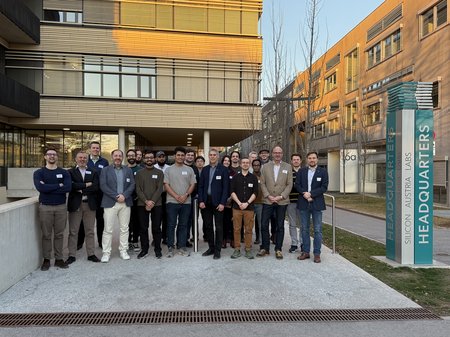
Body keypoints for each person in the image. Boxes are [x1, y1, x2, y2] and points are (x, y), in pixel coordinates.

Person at [33, 148, 71, 271]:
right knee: (46, 235)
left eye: (54, 154)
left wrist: (48, 187)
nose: (52, 156)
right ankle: (47, 259)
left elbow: (67, 188)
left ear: (57, 157)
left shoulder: (64, 172)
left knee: (60, 234)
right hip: (45, 207)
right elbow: (40, 188)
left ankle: (59, 259)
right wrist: (57, 185)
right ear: (45, 157)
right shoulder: (39, 173)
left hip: (61, 207)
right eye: (49, 154)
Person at [99, 149, 135, 263]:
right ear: (112, 157)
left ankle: (123, 250)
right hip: (110, 203)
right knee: (108, 229)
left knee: (124, 228)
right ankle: (106, 253)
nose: (118, 157)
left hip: (125, 202)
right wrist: (116, 196)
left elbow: (132, 184)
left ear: (122, 157)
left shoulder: (128, 170)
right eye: (116, 155)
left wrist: (124, 195)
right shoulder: (105, 170)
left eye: (120, 156)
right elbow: (103, 186)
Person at [257, 146, 293, 260]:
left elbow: (289, 184)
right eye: (275, 152)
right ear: (272, 154)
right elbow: (262, 183)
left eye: (280, 153)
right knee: (263, 224)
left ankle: (278, 249)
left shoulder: (288, 167)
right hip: (267, 200)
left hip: (281, 201)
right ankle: (265, 248)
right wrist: (268, 195)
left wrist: (280, 196)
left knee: (280, 226)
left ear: (282, 154)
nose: (277, 154)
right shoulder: (265, 167)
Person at [66, 151, 100, 264]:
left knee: (90, 230)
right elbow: (70, 186)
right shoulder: (70, 172)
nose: (82, 160)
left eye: (84, 158)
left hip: (89, 204)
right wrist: (86, 185)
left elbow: (96, 187)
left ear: (87, 160)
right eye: (80, 158)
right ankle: (71, 255)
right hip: (76, 205)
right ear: (76, 159)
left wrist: (79, 188)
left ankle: (91, 254)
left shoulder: (94, 171)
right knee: (73, 231)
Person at [296, 151, 329, 263]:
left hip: (317, 204)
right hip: (304, 203)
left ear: (317, 159)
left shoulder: (323, 172)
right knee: (304, 229)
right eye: (310, 158)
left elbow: (324, 187)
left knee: (317, 230)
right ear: (307, 159)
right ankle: (305, 252)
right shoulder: (301, 171)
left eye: (314, 158)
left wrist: (311, 194)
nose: (312, 160)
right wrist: (304, 193)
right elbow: (297, 185)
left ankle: (317, 253)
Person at [163, 146, 196, 257]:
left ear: (185, 156)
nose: (180, 157)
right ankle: (170, 247)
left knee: (183, 225)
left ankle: (181, 246)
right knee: (171, 225)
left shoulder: (189, 169)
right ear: (174, 156)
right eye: (178, 155)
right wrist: (177, 196)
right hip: (172, 202)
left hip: (186, 202)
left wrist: (186, 195)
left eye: (182, 155)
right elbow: (166, 185)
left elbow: (193, 184)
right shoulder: (168, 170)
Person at [198, 149, 229, 259]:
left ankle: (217, 250)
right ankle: (211, 248)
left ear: (218, 156)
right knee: (208, 226)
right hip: (206, 202)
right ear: (208, 156)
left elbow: (226, 188)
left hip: (218, 203)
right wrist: (201, 200)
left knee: (219, 227)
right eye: (210, 155)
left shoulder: (224, 170)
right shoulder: (205, 170)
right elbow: (200, 187)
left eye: (214, 155)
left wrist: (222, 203)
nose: (212, 156)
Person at [78, 141, 109, 249]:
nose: (95, 149)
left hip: (100, 195)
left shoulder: (104, 161)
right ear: (90, 149)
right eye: (94, 148)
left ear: (99, 149)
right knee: (83, 219)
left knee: (100, 219)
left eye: (97, 148)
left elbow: (107, 177)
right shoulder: (86, 160)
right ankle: (80, 242)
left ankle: (101, 242)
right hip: (87, 194)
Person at [135, 151, 164, 259]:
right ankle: (144, 250)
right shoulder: (139, 173)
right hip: (142, 204)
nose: (149, 159)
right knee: (143, 228)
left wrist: (152, 201)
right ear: (143, 159)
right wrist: (146, 201)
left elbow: (160, 189)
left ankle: (158, 249)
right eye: (147, 158)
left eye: (151, 157)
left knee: (156, 228)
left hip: (157, 204)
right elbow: (138, 189)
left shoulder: (160, 173)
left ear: (154, 159)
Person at [230, 158, 258, 259]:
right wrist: (239, 203)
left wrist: (247, 203)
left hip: (249, 208)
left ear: (249, 164)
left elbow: (255, 192)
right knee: (236, 229)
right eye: (243, 163)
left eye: (247, 163)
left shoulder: (253, 178)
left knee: (249, 229)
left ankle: (248, 249)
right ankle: (237, 249)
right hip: (237, 208)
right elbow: (232, 192)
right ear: (240, 164)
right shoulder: (235, 177)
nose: (245, 164)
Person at [126, 149, 143, 252]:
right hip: (126, 199)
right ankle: (128, 241)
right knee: (127, 222)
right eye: (129, 155)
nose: (131, 157)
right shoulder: (124, 169)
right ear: (127, 157)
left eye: (133, 155)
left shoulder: (140, 169)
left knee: (137, 221)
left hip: (138, 200)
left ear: (136, 157)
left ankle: (136, 240)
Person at [184, 148, 199, 247]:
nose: (190, 156)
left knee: (192, 220)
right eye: (188, 155)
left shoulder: (195, 168)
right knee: (183, 220)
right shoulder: (181, 167)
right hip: (182, 198)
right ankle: (182, 240)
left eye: (192, 155)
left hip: (193, 199)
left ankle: (189, 238)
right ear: (185, 156)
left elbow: (197, 183)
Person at [288, 153, 302, 253]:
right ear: (291, 161)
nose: (296, 161)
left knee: (302, 224)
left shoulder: (304, 172)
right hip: (290, 201)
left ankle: (302, 243)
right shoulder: (288, 172)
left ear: (300, 161)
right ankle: (294, 243)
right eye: (294, 159)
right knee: (292, 224)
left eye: (297, 159)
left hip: (302, 202)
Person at [155, 150, 170, 245]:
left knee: (166, 218)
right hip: (155, 196)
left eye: (163, 156)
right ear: (156, 158)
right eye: (159, 157)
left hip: (166, 195)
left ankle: (165, 237)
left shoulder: (169, 168)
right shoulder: (153, 167)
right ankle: (156, 238)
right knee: (156, 218)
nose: (161, 158)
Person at [221, 155, 233, 247]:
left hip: (231, 200)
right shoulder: (218, 171)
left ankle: (231, 238)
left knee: (231, 221)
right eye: (225, 160)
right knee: (222, 221)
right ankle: (223, 239)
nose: (226, 162)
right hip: (221, 201)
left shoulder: (233, 173)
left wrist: (230, 198)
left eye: (228, 161)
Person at [251, 158, 263, 244]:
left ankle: (262, 241)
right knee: (249, 224)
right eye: (254, 165)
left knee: (261, 223)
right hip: (250, 204)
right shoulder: (250, 176)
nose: (256, 167)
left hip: (261, 203)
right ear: (252, 166)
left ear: (260, 166)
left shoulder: (264, 176)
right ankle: (249, 242)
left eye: (258, 165)